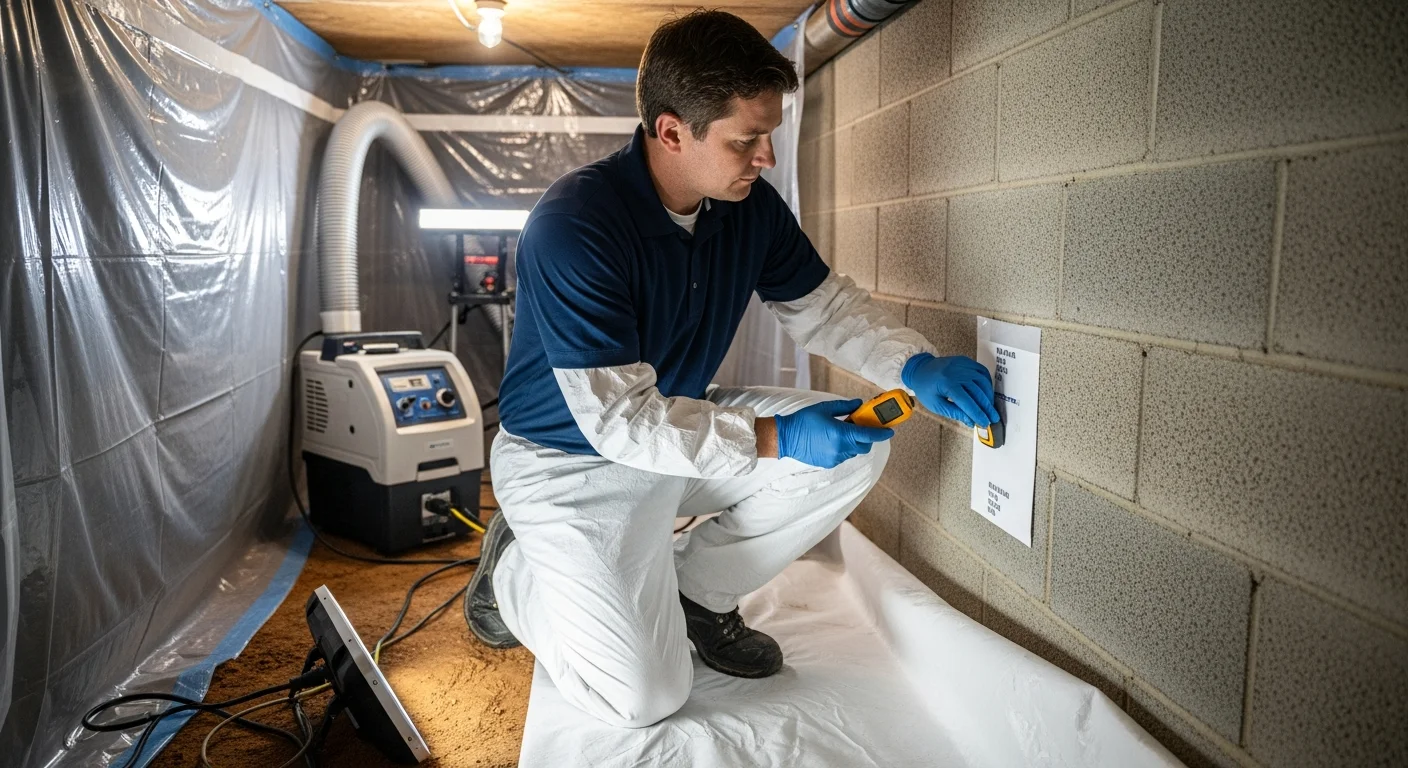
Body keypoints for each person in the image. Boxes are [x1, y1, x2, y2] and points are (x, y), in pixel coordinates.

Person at [464, 10, 998, 729]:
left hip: (675, 421)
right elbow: (620, 423)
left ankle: (699, 595)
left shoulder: (747, 209)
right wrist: (775, 440)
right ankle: (514, 573)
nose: (767, 157)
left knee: (852, 449)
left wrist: (914, 363)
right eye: (746, 140)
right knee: (646, 696)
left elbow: (823, 309)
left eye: (768, 135)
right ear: (672, 131)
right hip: (570, 463)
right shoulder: (577, 227)